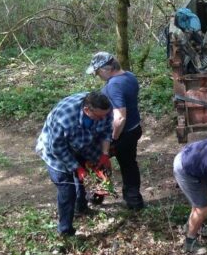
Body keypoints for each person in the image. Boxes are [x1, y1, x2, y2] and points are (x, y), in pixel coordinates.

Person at [35, 91, 114, 237]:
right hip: (55, 153)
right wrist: (77, 168)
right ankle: (65, 231)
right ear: (87, 110)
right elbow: (57, 148)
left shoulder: (105, 109)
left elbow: (107, 131)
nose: (103, 118)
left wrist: (104, 154)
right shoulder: (64, 120)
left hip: (83, 145)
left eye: (105, 115)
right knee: (67, 191)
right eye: (99, 117)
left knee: (84, 179)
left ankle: (81, 207)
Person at [86, 52, 144, 210]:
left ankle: (96, 197)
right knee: (129, 164)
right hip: (134, 129)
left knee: (99, 161)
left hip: (121, 133)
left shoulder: (114, 85)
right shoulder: (129, 76)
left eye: (98, 72)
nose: (98, 76)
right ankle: (134, 201)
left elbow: (119, 117)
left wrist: (113, 137)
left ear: (107, 69)